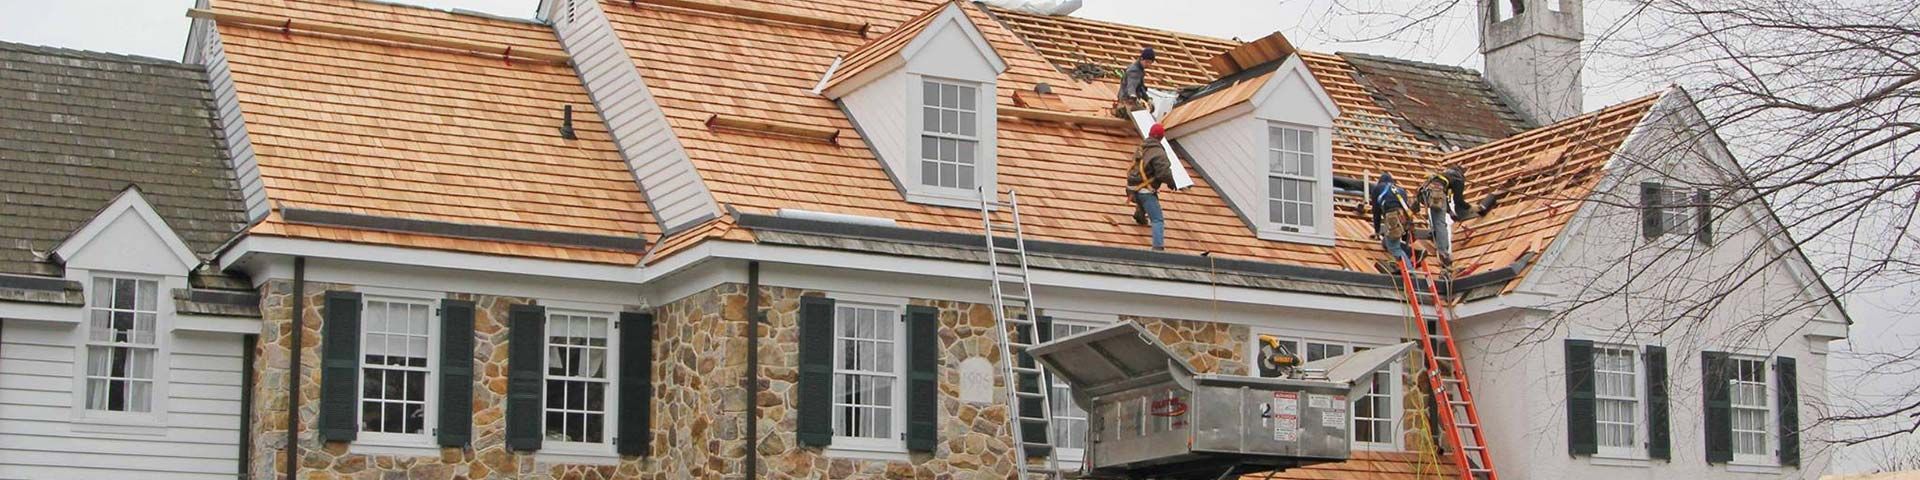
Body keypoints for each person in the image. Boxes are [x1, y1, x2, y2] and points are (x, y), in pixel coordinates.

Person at [1415, 165, 1514, 267]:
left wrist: (1450, 212)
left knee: (1435, 217)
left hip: (1423, 194)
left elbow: (1443, 197)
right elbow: (1459, 201)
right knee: (1440, 223)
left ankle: (1420, 231)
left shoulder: (1441, 177)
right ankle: (1443, 253)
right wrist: (1470, 208)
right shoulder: (1458, 180)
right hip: (1435, 196)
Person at [1129, 123, 1175, 251]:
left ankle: (1140, 215)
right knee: (1157, 219)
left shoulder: (1141, 147)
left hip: (1132, 189)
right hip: (1144, 191)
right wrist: (1171, 183)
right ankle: (1158, 247)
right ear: (1161, 138)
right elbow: (1163, 173)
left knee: (1144, 197)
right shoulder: (1158, 152)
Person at [1369, 172, 1415, 268]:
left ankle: (1409, 270)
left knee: (1394, 247)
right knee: (1389, 241)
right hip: (1403, 217)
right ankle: (1409, 252)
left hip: (1392, 217)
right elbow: (1406, 209)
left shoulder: (1377, 189)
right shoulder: (1400, 190)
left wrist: (1377, 231)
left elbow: (1376, 212)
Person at [1116, 47, 1155, 114]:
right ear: (1141, 59)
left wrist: (1147, 99)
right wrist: (1133, 95)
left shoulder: (1140, 70)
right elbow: (1131, 85)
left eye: (1150, 63)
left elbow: (1141, 87)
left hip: (1130, 100)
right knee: (1144, 117)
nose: (1148, 65)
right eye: (1147, 62)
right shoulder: (1134, 70)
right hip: (1126, 101)